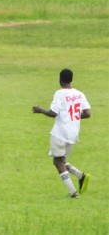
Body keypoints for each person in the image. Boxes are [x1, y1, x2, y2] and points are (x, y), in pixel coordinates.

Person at [32, 68, 91, 198]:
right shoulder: (80, 94)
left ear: (60, 80)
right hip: (73, 134)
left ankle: (73, 193)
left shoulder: (59, 93)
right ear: (71, 79)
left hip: (60, 133)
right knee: (61, 160)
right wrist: (73, 116)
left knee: (58, 163)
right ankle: (80, 176)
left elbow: (53, 113)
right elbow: (87, 114)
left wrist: (41, 110)